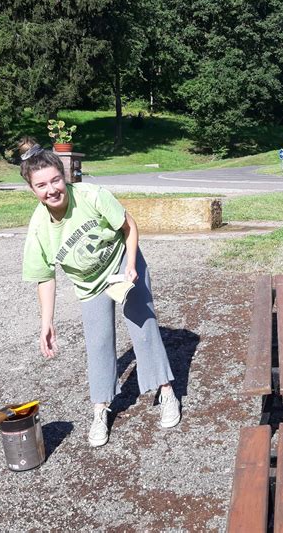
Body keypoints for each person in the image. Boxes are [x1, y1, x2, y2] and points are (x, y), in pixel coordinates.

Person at [19, 137, 180, 447]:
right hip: (90, 283)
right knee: (98, 342)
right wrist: (46, 322)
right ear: (33, 190)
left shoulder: (92, 196)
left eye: (56, 179)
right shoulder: (38, 228)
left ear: (63, 176)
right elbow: (45, 277)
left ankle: (167, 391)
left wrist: (131, 265)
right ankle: (100, 409)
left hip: (122, 262)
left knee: (142, 325)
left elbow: (129, 226)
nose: (51, 189)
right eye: (42, 185)